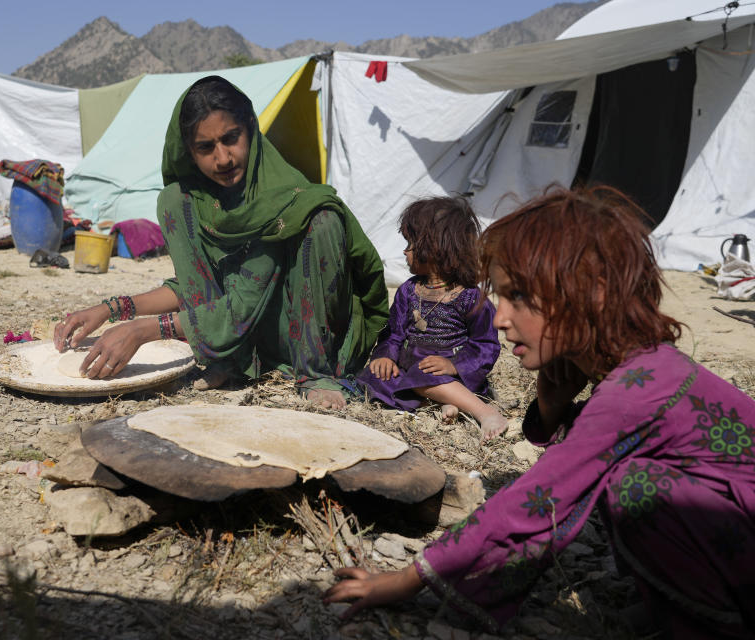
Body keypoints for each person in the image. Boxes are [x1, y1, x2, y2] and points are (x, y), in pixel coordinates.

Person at [323, 186, 755, 638]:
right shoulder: (643, 367)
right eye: (501, 297)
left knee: (636, 485)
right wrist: (551, 403)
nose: (502, 318)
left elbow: (537, 497)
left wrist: (408, 579)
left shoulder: (634, 391)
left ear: (590, 295)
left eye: (520, 298)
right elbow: (582, 444)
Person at [54, 76, 388, 409]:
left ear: (251, 130)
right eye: (205, 147)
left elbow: (245, 299)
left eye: (231, 139)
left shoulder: (279, 199)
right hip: (236, 330)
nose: (223, 158)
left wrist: (143, 330)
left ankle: (316, 372)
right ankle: (229, 362)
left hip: (303, 327)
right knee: (174, 199)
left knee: (321, 219)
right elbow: (196, 285)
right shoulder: (195, 202)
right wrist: (109, 309)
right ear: (189, 151)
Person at [355, 196, 505, 440]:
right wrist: (386, 357)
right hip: (411, 367)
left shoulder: (469, 298)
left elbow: (485, 345)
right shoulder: (408, 291)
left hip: (449, 374)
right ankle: (438, 403)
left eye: (410, 243)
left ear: (435, 249)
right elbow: (393, 333)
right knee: (373, 378)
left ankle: (483, 411)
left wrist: (454, 365)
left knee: (422, 376)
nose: (405, 251)